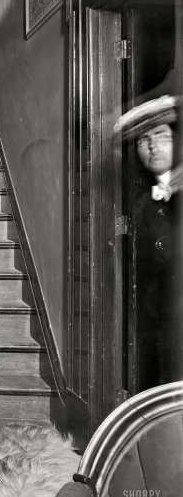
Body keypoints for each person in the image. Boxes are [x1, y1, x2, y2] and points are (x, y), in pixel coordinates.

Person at [114, 95, 179, 391]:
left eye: (162, 136)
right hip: (154, 329)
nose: (153, 147)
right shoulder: (140, 202)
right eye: (143, 140)